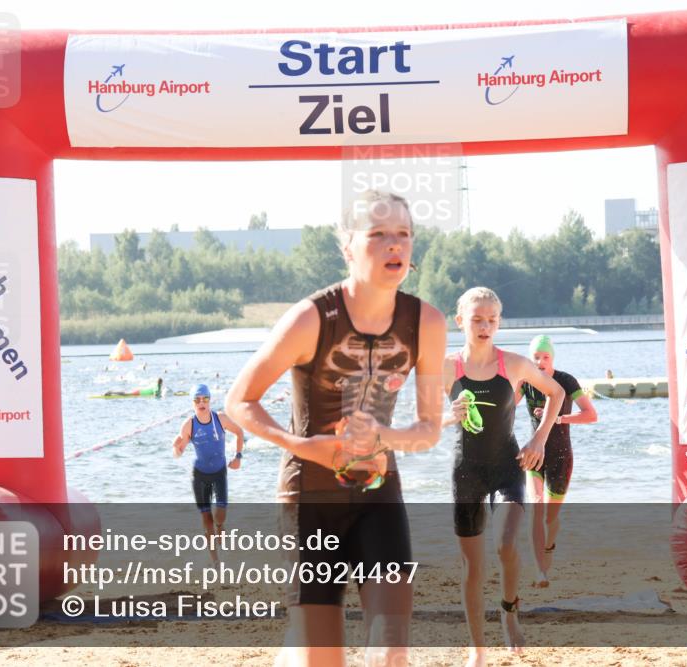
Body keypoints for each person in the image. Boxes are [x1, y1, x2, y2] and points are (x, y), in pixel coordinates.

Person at [225, 190, 446, 667]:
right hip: (311, 498)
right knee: (321, 660)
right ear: (347, 247)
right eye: (378, 234)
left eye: (404, 234)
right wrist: (304, 446)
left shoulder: (425, 321)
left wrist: (384, 438)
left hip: (379, 496)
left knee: (391, 654)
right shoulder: (311, 318)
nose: (395, 245)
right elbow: (239, 401)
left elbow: (429, 430)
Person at [443, 287, 563, 665]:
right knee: (472, 567)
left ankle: (509, 608)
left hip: (507, 467)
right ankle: (478, 650)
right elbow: (427, 420)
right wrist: (451, 414)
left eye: (492, 320)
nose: (485, 326)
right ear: (460, 321)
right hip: (466, 473)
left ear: (499, 322)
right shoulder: (447, 367)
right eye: (477, 319)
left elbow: (556, 394)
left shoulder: (512, 364)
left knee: (505, 544)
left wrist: (539, 439)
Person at [518, 335, 597, 588]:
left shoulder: (565, 380)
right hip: (535, 453)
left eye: (545, 357)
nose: (540, 362)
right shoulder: (527, 382)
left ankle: (549, 545)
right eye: (536, 358)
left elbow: (591, 415)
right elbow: (506, 405)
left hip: (561, 456)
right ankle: (540, 570)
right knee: (535, 506)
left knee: (550, 519)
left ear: (552, 358)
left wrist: (559, 418)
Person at [172, 383, 244, 563]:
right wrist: (176, 447)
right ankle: (216, 562)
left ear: (210, 400)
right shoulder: (189, 424)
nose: (201, 402)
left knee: (220, 515)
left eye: (205, 399)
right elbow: (178, 453)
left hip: (219, 472)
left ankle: (221, 526)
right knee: (206, 519)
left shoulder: (219, 418)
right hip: (200, 476)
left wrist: (238, 457)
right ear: (193, 403)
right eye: (197, 400)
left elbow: (239, 432)